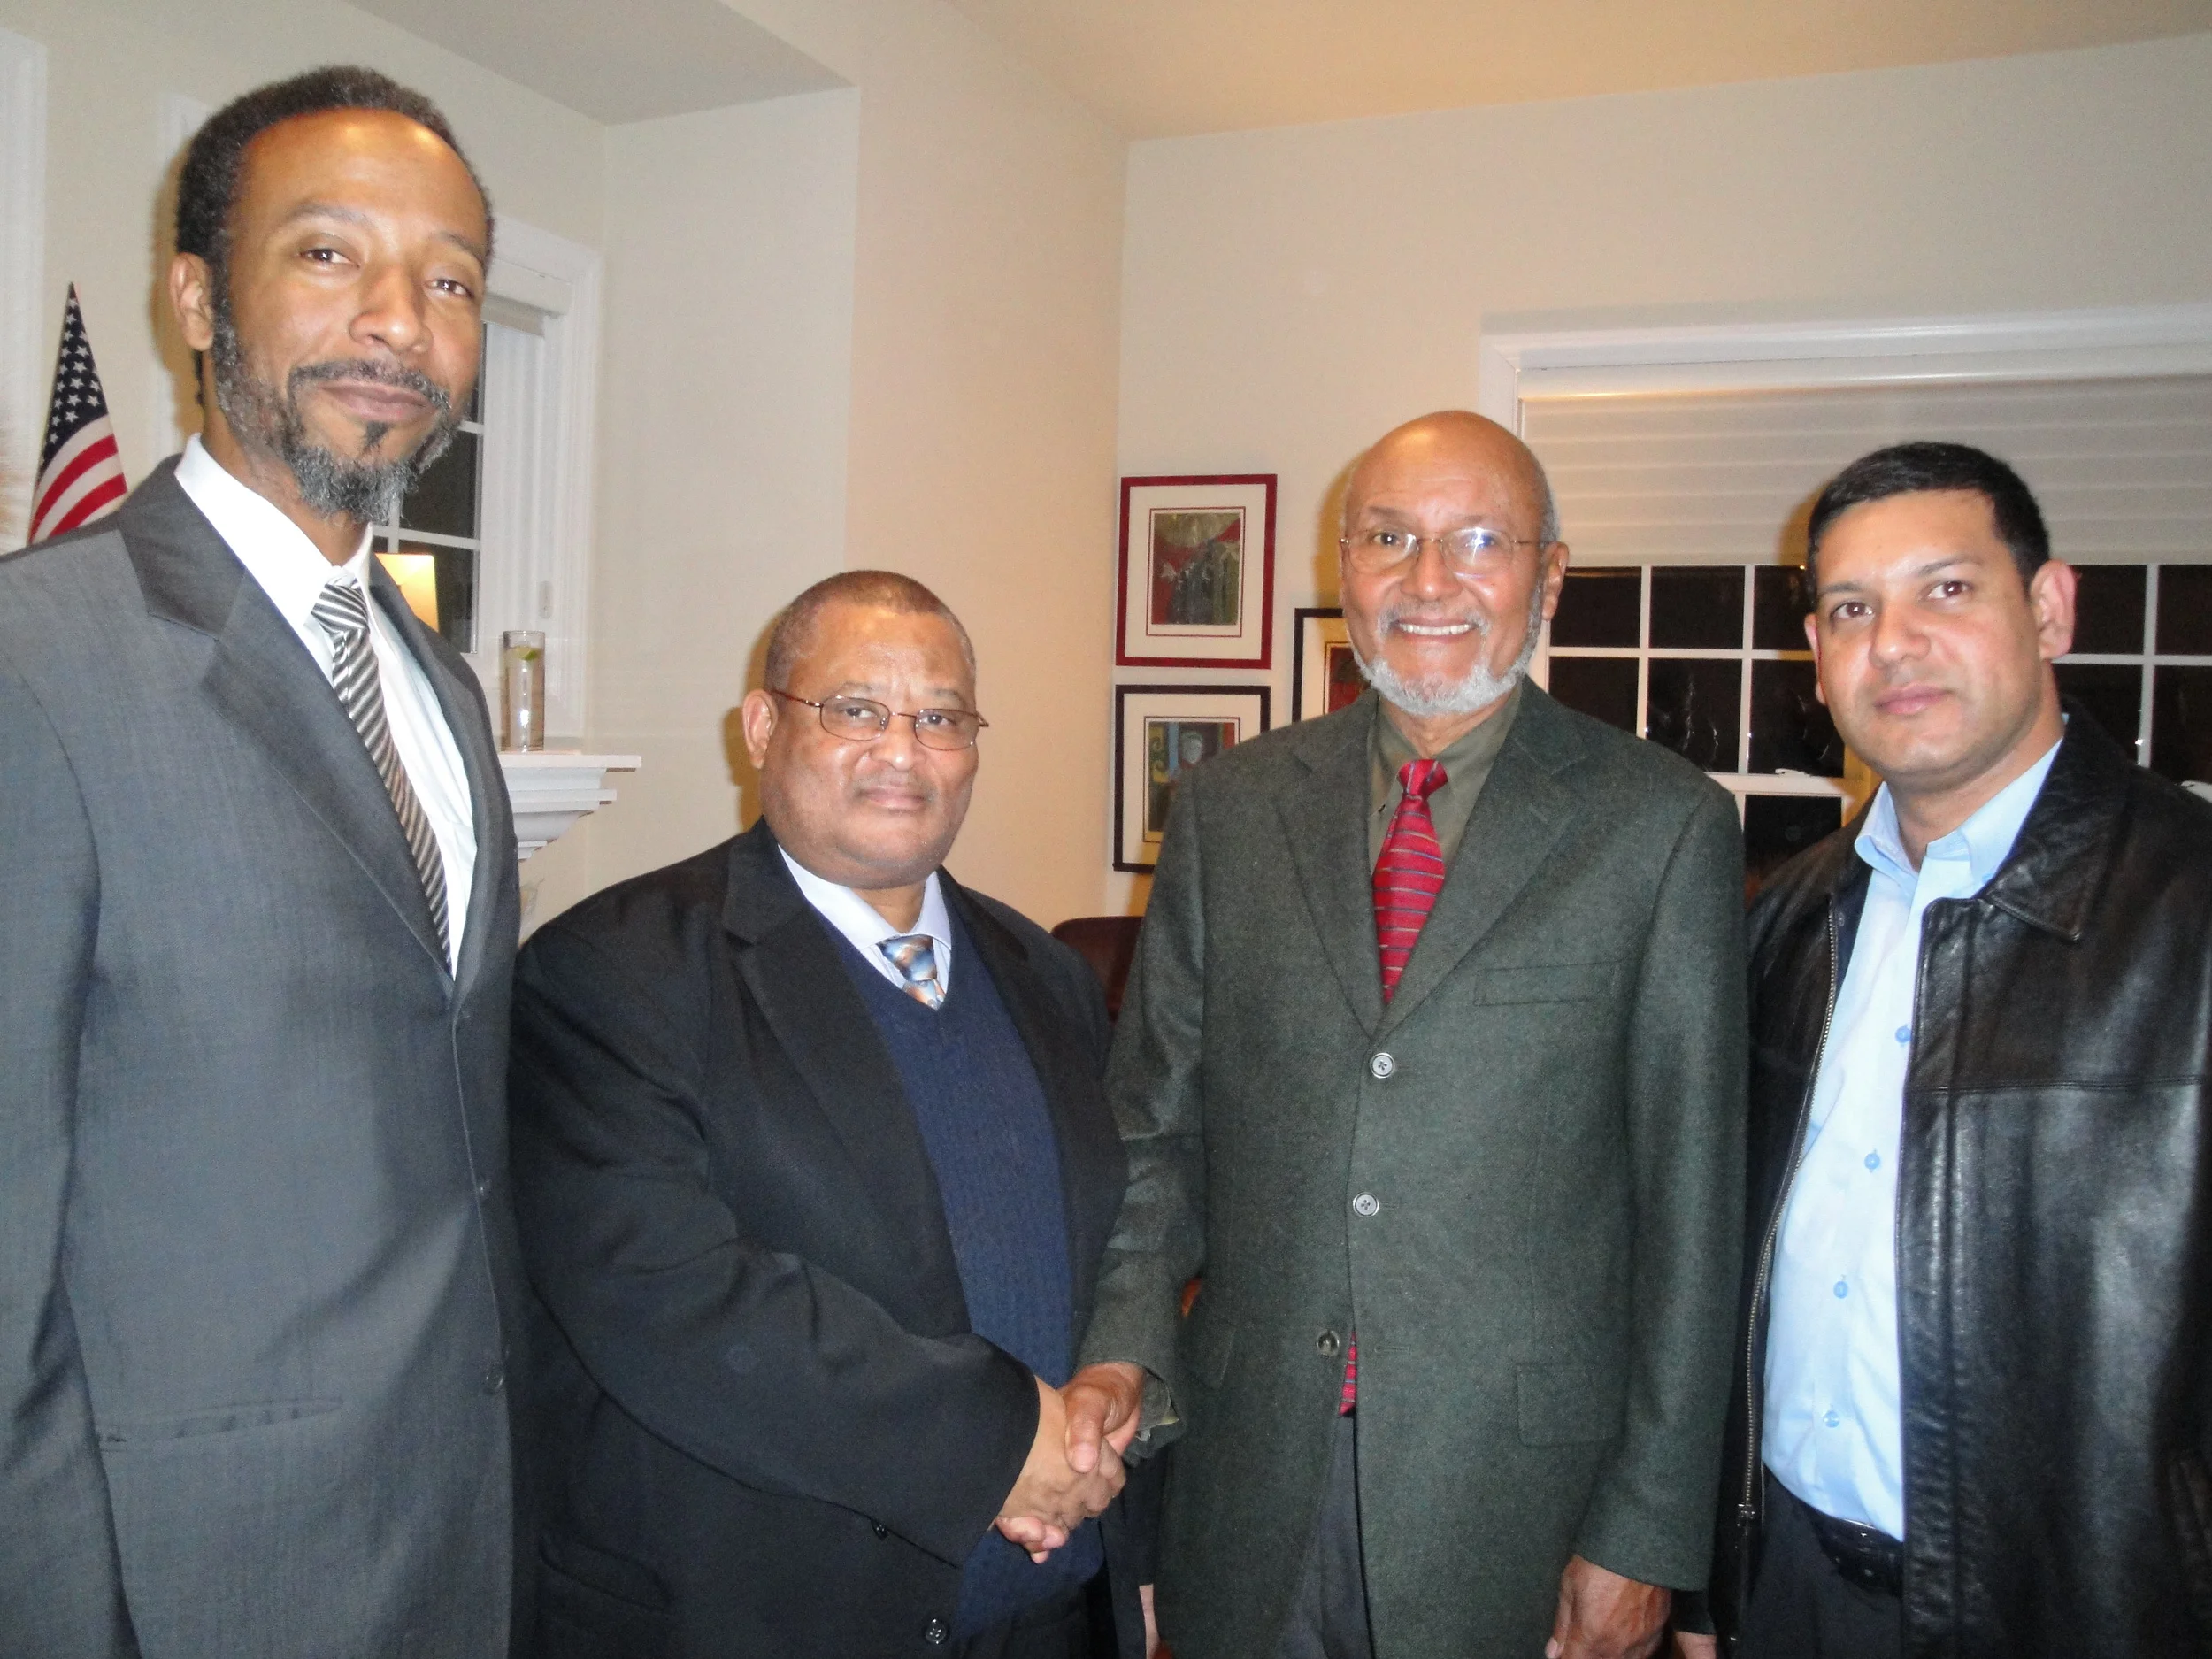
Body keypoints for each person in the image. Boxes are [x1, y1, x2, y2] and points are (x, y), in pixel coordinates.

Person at [1068, 411, 1748, 1659]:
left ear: (1548, 576)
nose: (1429, 580)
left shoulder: (1662, 827)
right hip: (1247, 1477)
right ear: (1345, 569)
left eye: (1478, 539)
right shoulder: (1227, 806)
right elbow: (1154, 1132)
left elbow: (1693, 1219)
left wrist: (1650, 1533)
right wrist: (1125, 1368)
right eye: (1391, 538)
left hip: (1520, 1505)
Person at [0, 68, 518, 1656]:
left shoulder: (436, 685)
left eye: (449, 280)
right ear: (194, 301)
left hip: (451, 1541)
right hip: (185, 1582)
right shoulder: (37, 657)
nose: (399, 321)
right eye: (327, 255)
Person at [508, 571, 1148, 1658]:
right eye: (854, 709)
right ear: (762, 727)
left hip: (1050, 1611)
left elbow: (1106, 1239)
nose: (902, 750)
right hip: (769, 1616)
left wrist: (1115, 1388)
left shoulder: (1044, 972)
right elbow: (673, 1300)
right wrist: (999, 1443)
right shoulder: (612, 972)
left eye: (940, 717)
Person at [1685, 442, 2212, 1659]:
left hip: (2085, 1606)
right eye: (1854, 608)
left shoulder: (2188, 911)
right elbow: (1727, 1271)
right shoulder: (1784, 921)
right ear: (1817, 652)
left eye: (1948, 589)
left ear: (2050, 607)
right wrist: (1714, 1573)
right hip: (1792, 1587)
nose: (1896, 642)